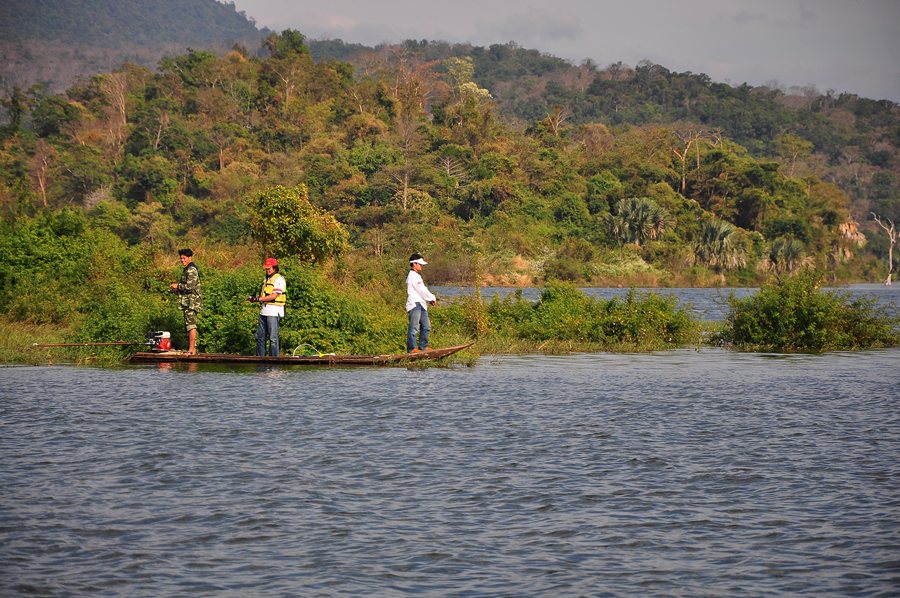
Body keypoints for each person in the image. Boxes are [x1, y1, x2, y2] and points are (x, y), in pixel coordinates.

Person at [249, 257, 286, 356]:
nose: (267, 270)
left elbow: (274, 296)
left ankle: (274, 360)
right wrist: (254, 298)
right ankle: (260, 358)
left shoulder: (279, 279)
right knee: (260, 336)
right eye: (266, 268)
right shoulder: (266, 279)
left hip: (274, 312)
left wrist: (257, 299)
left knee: (273, 338)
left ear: (274, 268)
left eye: (269, 268)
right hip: (264, 311)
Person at [169, 248, 202, 354]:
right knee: (189, 324)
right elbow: (186, 288)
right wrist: (177, 290)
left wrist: (178, 285)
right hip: (187, 301)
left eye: (184, 258)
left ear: (189, 258)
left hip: (192, 302)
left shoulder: (191, 269)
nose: (182, 260)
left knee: (191, 325)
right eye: (181, 258)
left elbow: (190, 286)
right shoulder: (187, 269)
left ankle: (191, 349)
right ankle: (192, 349)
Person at [406, 252, 437, 353]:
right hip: (415, 304)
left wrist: (430, 299)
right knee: (414, 327)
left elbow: (423, 290)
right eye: (419, 264)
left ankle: (423, 347)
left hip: (421, 303)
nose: (421, 266)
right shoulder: (413, 276)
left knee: (426, 326)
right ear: (414, 264)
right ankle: (411, 349)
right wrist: (432, 297)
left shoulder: (417, 276)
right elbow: (421, 290)